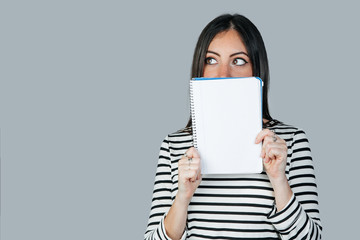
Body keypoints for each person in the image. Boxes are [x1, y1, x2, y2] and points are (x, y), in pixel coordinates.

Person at [144, 14, 322, 240]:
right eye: (211, 60)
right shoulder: (173, 145)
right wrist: (182, 197)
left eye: (238, 60)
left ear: (257, 69)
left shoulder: (291, 141)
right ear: (200, 68)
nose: (223, 74)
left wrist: (279, 180)